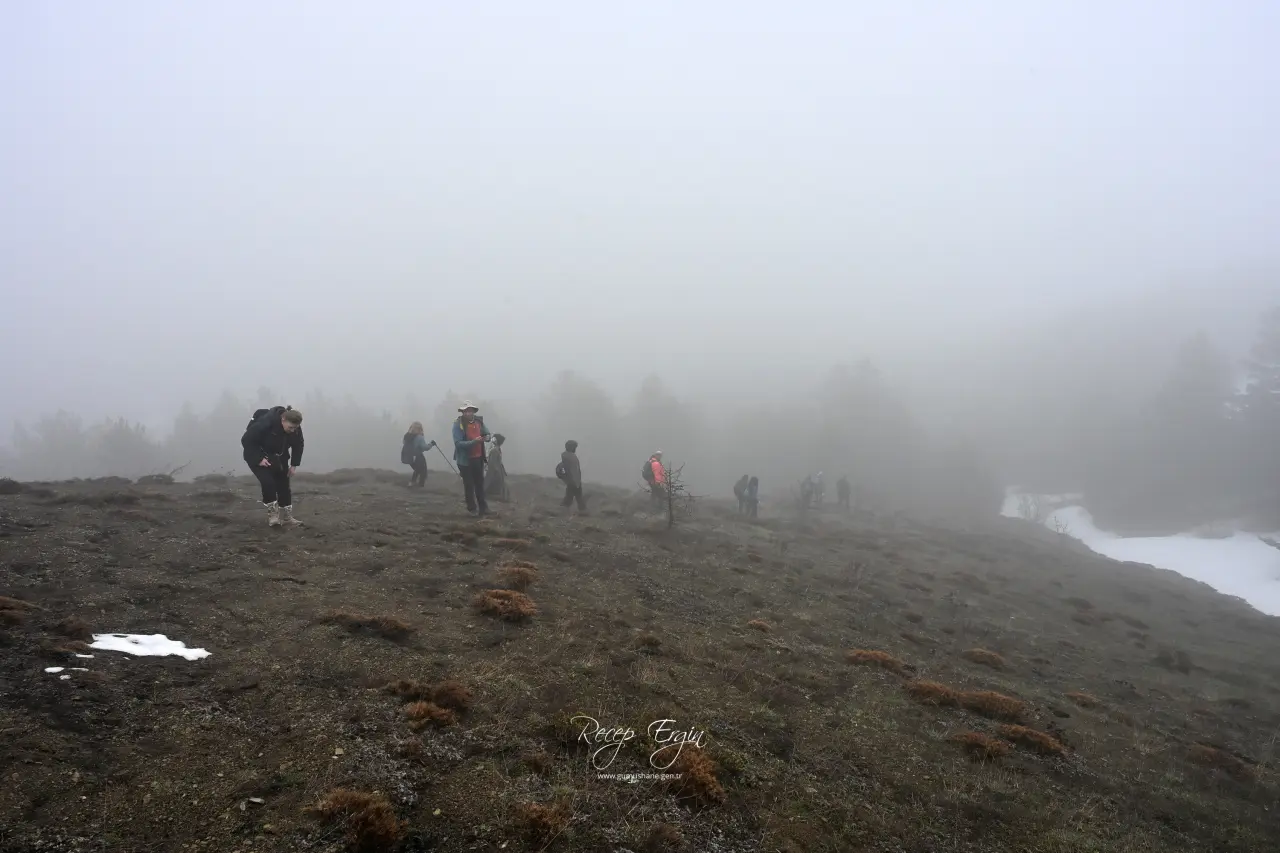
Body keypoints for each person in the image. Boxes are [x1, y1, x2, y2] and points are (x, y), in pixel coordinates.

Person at [241, 405, 305, 527]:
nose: (293, 430)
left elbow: (298, 444)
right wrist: (258, 459)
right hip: (257, 455)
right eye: (290, 427)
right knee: (268, 482)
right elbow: (246, 440)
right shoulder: (266, 423)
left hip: (279, 456)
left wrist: (294, 465)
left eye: (295, 428)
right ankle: (273, 516)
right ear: (283, 419)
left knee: (284, 485)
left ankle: (287, 517)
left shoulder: (295, 427)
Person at [452, 401, 492, 516]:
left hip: (478, 458)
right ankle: (472, 509)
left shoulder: (479, 421)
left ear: (474, 411)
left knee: (480, 484)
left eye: (470, 410)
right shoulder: (457, 424)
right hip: (465, 460)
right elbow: (458, 443)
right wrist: (474, 442)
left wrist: (487, 437)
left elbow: (487, 433)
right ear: (463, 412)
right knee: (469, 485)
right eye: (466, 411)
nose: (468, 413)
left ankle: (483, 508)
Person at [401, 422, 436, 488]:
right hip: (418, 457)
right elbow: (425, 447)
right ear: (420, 429)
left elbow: (404, 443)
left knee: (417, 470)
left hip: (410, 458)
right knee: (423, 471)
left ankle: (412, 483)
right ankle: (420, 486)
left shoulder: (407, 436)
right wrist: (431, 444)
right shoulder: (419, 437)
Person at [559, 439, 586, 514]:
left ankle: (582, 510)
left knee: (572, 497)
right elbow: (569, 469)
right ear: (571, 447)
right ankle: (582, 511)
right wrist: (572, 480)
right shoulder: (568, 457)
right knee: (574, 497)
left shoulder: (569, 456)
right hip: (573, 481)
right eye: (574, 447)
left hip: (574, 480)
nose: (575, 449)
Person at [485, 433, 510, 502]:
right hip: (494, 472)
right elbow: (492, 464)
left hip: (498, 471)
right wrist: (496, 471)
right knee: (490, 485)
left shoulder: (497, 450)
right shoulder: (494, 451)